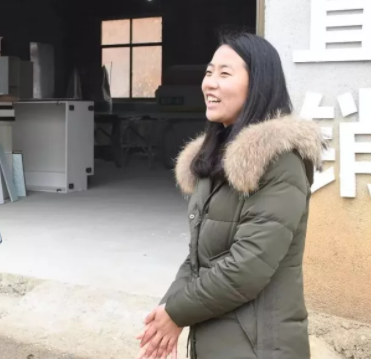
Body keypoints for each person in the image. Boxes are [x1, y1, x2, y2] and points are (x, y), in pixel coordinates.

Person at [136, 32, 326, 359]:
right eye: (209, 72)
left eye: (225, 74)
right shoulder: (215, 161)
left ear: (259, 85)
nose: (209, 83)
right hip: (217, 338)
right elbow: (198, 257)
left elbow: (247, 267)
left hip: (259, 346)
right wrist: (169, 309)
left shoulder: (280, 163)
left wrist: (177, 313)